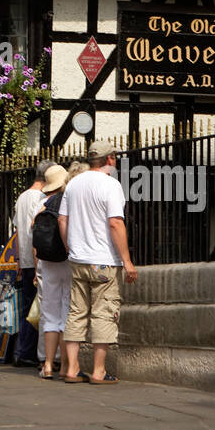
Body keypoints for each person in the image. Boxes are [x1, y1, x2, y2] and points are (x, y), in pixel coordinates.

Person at [58, 141, 137, 383]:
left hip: (78, 259)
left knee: (76, 312)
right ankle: (99, 371)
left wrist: (71, 246)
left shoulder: (73, 184)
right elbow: (115, 223)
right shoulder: (111, 185)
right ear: (110, 159)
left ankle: (71, 369)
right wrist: (127, 261)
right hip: (103, 260)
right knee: (103, 313)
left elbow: (62, 220)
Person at [12, 160, 55, 368]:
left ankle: (23, 350)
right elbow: (35, 230)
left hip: (25, 258)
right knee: (35, 309)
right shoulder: (40, 198)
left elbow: (18, 230)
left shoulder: (22, 197)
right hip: (35, 257)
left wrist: (19, 258)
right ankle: (26, 352)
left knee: (28, 307)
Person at [31, 165, 70, 379]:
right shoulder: (67, 201)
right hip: (65, 260)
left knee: (49, 314)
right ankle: (64, 365)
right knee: (66, 313)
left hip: (46, 264)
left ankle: (46, 364)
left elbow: (33, 234)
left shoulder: (42, 204)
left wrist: (38, 266)